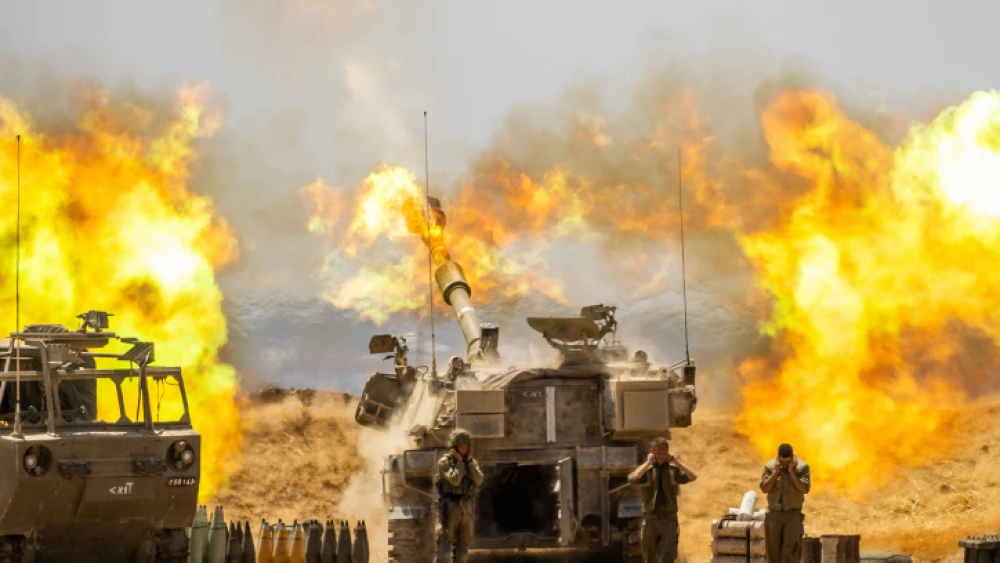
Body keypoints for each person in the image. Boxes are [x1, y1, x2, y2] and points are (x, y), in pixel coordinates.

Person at [627, 437, 698, 563]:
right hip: (650, 519)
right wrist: (648, 463)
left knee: (667, 555)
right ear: (652, 452)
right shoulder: (647, 471)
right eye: (659, 453)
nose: (661, 456)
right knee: (649, 556)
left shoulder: (673, 470)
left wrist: (677, 463)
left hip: (669, 519)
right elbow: (633, 478)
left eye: (664, 453)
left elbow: (693, 477)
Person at [436, 429, 483, 563]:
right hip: (449, 506)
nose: (464, 449)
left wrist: (468, 463)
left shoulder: (471, 462)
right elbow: (455, 480)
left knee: (463, 545)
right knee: (444, 546)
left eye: (467, 446)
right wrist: (460, 463)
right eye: (461, 446)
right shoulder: (444, 462)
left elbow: (479, 480)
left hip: (466, 506)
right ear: (454, 447)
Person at [760, 443, 811, 563]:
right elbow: (764, 488)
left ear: (792, 458)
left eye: (787, 462)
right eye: (782, 462)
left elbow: (804, 489)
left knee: (791, 550)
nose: (784, 464)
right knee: (773, 550)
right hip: (774, 514)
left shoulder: (802, 467)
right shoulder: (770, 466)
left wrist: (792, 473)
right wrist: (775, 473)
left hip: (792, 514)